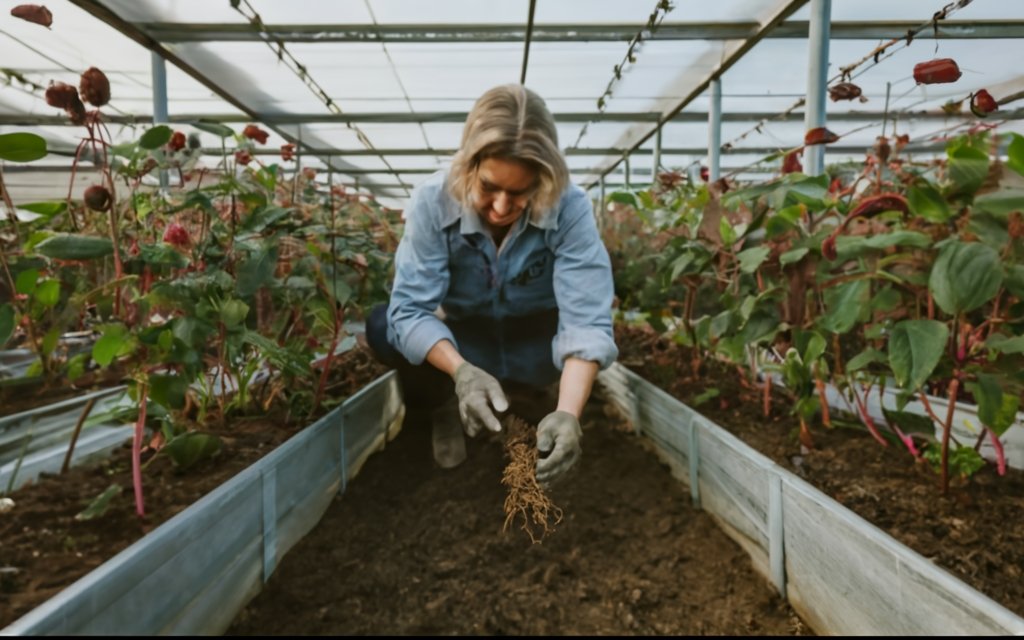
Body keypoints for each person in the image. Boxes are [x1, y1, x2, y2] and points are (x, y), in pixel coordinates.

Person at [365, 83, 618, 487]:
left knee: (573, 369)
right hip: (468, 339)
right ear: (469, 168)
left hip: (537, 342)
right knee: (384, 326)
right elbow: (410, 309)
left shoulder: (570, 207)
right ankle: (443, 405)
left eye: (520, 193)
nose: (501, 208)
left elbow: (586, 320)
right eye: (488, 187)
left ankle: (543, 398)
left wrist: (570, 412)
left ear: (543, 179)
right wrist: (461, 370)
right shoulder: (433, 201)